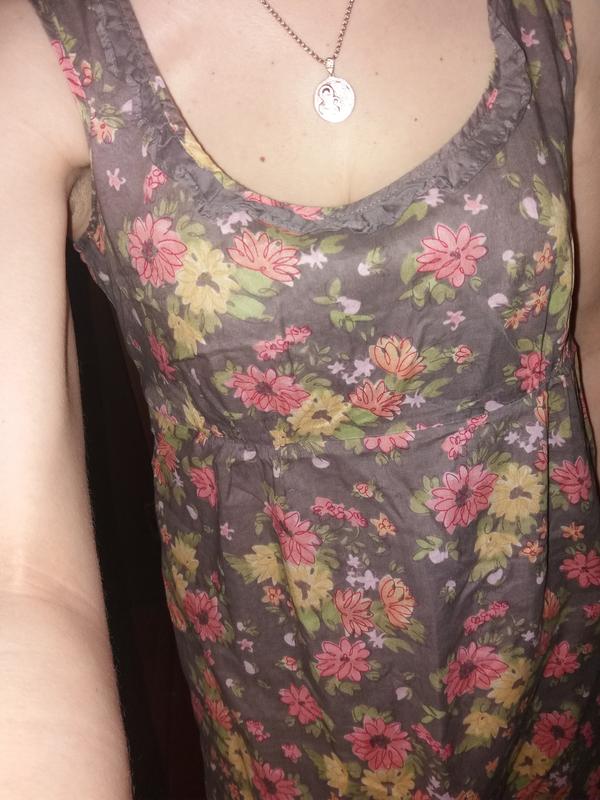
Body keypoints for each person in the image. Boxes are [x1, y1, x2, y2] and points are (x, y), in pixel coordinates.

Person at [1, 0, 599, 797]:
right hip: (282, 680)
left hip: (543, 632)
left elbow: (587, 336)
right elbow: (24, 577)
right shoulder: (39, 53)